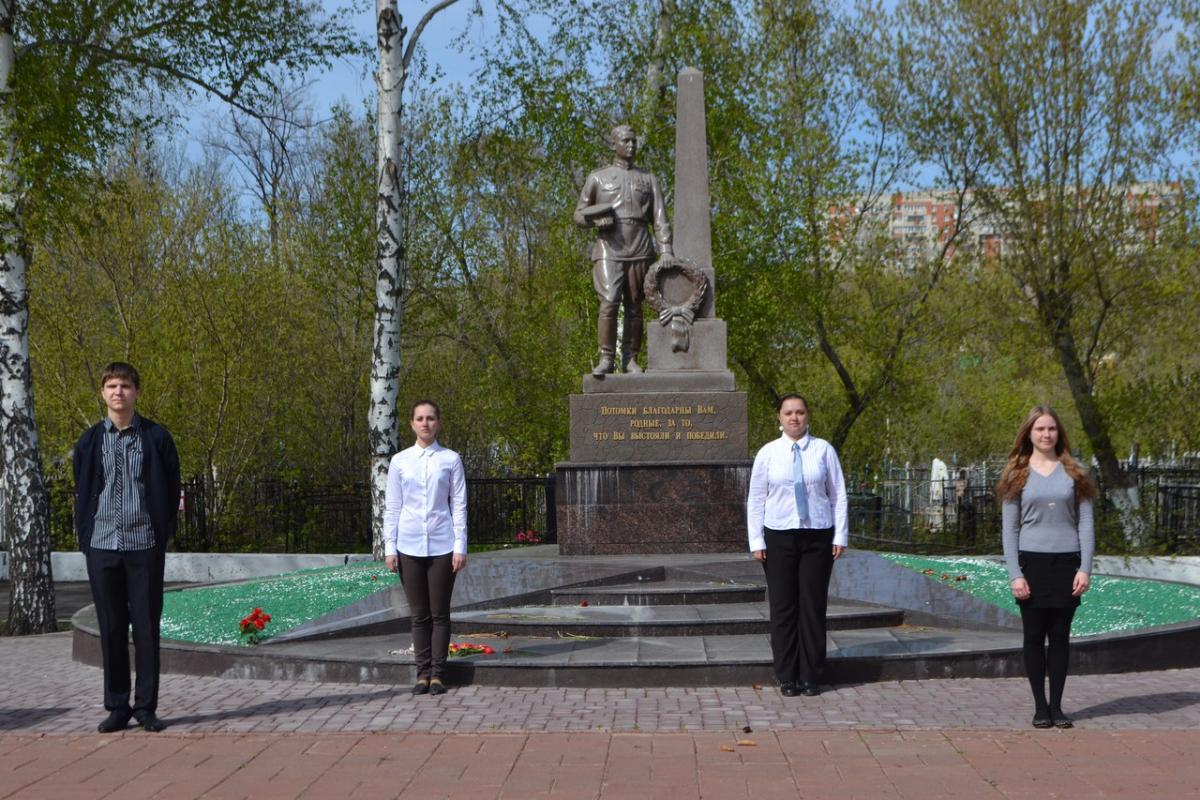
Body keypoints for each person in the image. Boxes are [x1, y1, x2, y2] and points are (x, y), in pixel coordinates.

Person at [74, 362, 181, 733]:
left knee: (147, 627)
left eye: (125, 386)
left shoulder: (156, 438)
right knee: (111, 626)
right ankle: (117, 705)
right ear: (103, 393)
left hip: (143, 545)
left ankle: (146, 706)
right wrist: (86, 537)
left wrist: (161, 536)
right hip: (102, 545)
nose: (118, 392)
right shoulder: (90, 441)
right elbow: (83, 491)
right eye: (111, 386)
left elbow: (170, 487)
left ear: (136, 392)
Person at [998, 405, 1097, 729]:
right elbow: (1010, 530)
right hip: (1032, 563)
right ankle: (1040, 707)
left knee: (1060, 636)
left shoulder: (1075, 471)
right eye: (1040, 429)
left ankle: (1057, 706)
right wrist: (1015, 573)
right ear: (1029, 433)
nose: (1046, 434)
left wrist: (1085, 567)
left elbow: (1085, 524)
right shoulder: (1017, 473)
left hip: (1066, 562)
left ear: (1059, 433)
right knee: (1033, 635)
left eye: (1051, 429)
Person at [747, 394, 848, 697]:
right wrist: (756, 540)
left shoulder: (823, 450)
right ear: (779, 417)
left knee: (812, 606)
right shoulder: (768, 454)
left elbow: (838, 494)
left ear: (808, 415)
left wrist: (840, 535)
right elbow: (756, 499)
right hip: (778, 536)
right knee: (783, 607)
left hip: (817, 535)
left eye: (800, 412)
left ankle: (810, 675)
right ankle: (787, 675)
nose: (794, 418)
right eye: (788, 412)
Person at [574, 124, 673, 376]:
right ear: (613, 145)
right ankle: (606, 358)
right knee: (609, 302)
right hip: (609, 247)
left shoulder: (649, 179)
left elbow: (659, 218)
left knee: (635, 305)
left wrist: (666, 250)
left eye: (634, 141)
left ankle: (630, 358)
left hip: (640, 246)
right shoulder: (597, 178)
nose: (631, 145)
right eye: (626, 141)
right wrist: (596, 220)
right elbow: (578, 214)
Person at [383, 400, 468, 696]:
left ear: (439, 423)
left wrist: (460, 546)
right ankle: (422, 673)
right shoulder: (400, 461)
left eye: (431, 418)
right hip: (408, 545)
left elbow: (458, 505)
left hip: (443, 545)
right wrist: (389, 547)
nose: (425, 423)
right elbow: (392, 506)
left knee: (439, 613)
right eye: (420, 418)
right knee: (419, 614)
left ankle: (438, 675)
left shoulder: (450, 459)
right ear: (411, 423)